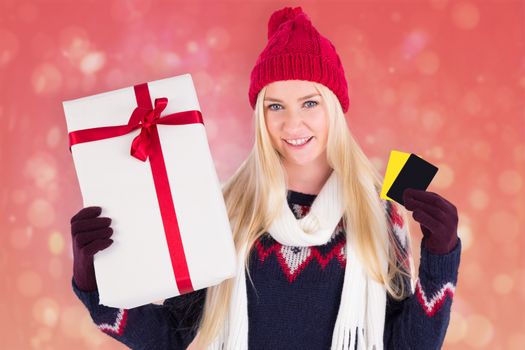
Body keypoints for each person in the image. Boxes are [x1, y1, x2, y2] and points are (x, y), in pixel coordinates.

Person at [70, 6, 462, 350]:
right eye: (276, 106)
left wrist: (441, 256)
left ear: (335, 109)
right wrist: (94, 283)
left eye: (310, 102)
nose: (293, 123)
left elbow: (408, 344)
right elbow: (173, 336)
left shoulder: (378, 211)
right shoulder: (225, 211)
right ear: (260, 116)